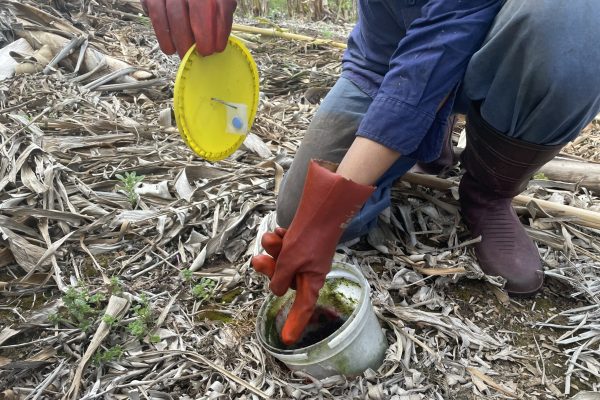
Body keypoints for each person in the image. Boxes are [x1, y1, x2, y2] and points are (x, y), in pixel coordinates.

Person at [143, 0, 600, 346]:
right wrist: (319, 215)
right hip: (384, 63)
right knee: (296, 205)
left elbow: (437, 50)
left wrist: (326, 217)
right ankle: (425, 135)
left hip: (498, 49)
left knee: (575, 23)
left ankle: (487, 191)